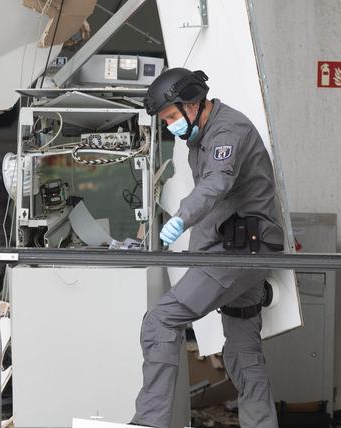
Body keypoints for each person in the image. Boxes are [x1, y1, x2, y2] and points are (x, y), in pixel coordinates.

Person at [130, 68, 285, 428]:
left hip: (237, 256)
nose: (170, 126)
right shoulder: (202, 135)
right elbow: (221, 204)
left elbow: (215, 184)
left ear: (193, 104)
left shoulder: (227, 131)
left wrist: (181, 218)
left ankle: (148, 423)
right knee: (244, 352)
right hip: (241, 251)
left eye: (170, 117)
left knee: (159, 322)